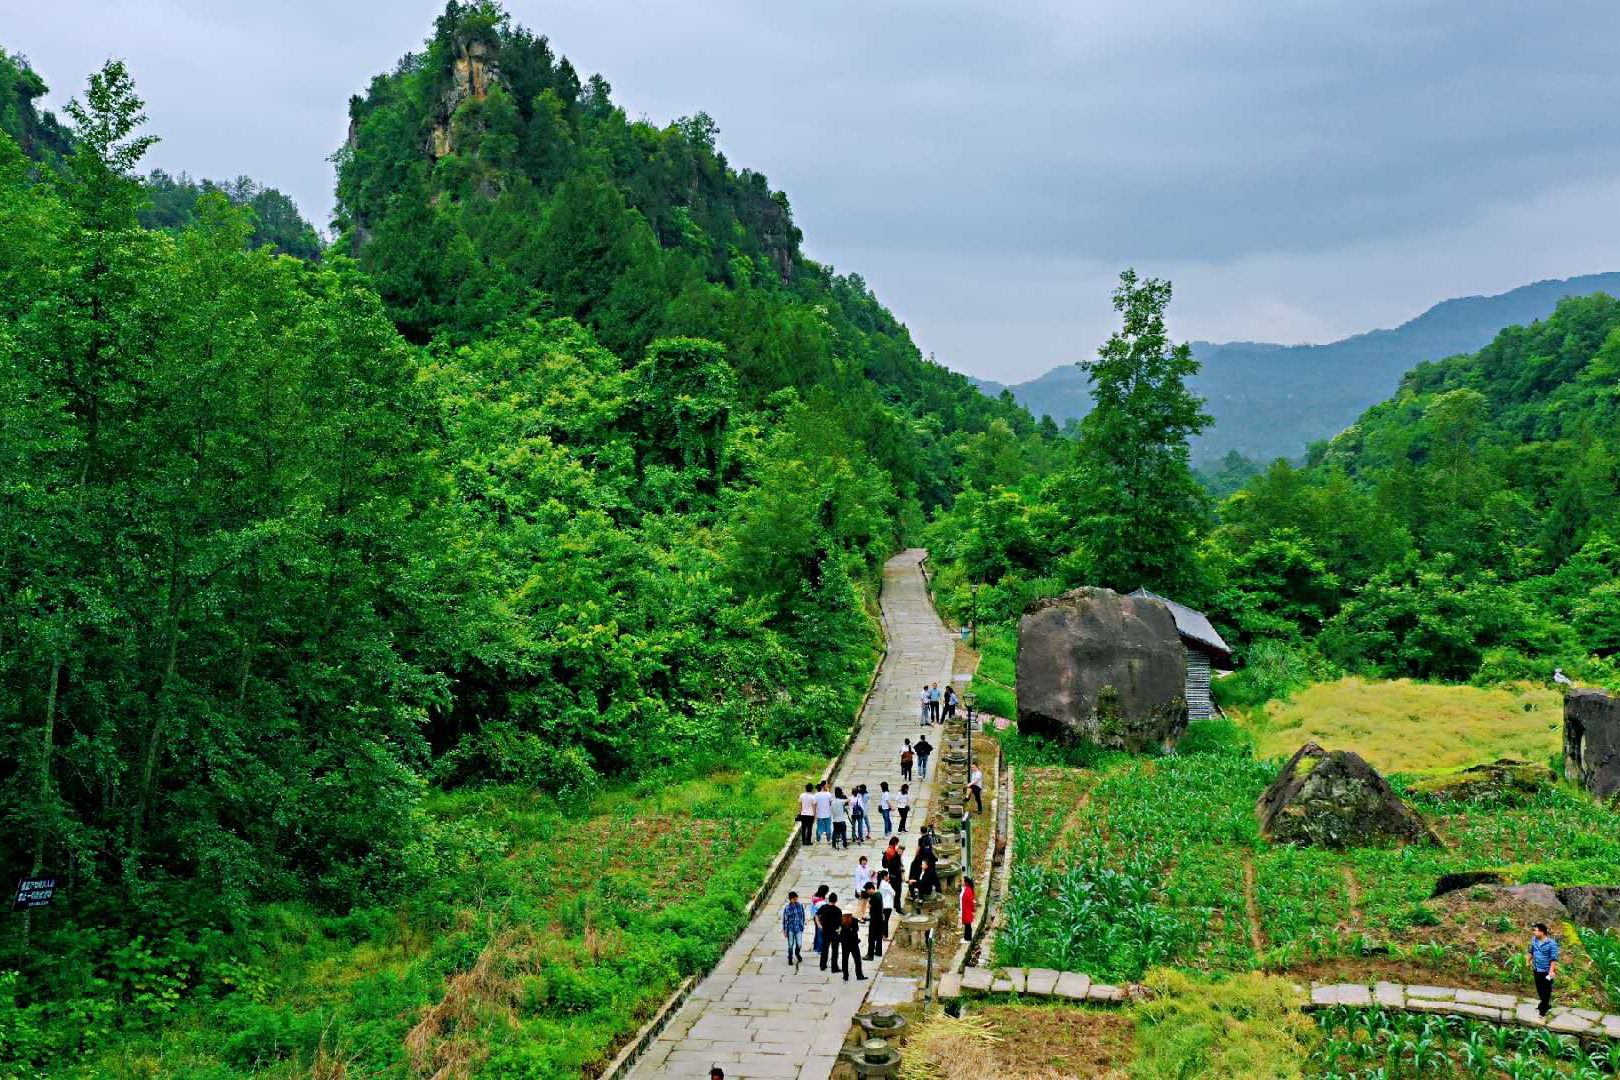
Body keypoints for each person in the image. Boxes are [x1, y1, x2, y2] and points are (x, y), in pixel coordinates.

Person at [1530, 922, 1560, 1016]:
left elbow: (1553, 958)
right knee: (1539, 989)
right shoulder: (1534, 940)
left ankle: (1542, 1012)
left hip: (1546, 971)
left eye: (1535, 930)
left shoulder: (1552, 944)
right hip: (1536, 968)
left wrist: (1551, 971)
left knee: (1546, 991)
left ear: (1542, 932)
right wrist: (1528, 961)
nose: (1534, 932)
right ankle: (1546, 1005)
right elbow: (1531, 951)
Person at [818, 893, 844, 973]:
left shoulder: (823, 907)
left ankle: (823, 965)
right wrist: (839, 929)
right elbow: (840, 923)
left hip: (825, 931)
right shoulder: (838, 910)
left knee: (825, 949)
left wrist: (820, 924)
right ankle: (834, 967)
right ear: (836, 900)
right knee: (835, 950)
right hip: (834, 933)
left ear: (828, 899)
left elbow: (817, 915)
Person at [873, 871, 894, 957]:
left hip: (883, 905)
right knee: (885, 921)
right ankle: (885, 935)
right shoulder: (886, 885)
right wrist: (889, 884)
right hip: (887, 905)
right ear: (885, 876)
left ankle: (883, 935)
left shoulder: (881, 883)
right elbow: (893, 893)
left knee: (884, 920)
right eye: (887, 875)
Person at [839, 911, 866, 981]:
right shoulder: (854, 920)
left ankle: (845, 975)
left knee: (845, 959)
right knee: (857, 960)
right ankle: (859, 975)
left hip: (845, 943)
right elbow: (856, 930)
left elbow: (840, 932)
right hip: (853, 943)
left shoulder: (841, 920)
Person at [782, 890, 806, 965]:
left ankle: (797, 953)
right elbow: (785, 920)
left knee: (799, 944)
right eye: (794, 899)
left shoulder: (800, 906)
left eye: (796, 898)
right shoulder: (787, 908)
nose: (796, 900)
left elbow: (803, 916)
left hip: (798, 928)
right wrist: (785, 931)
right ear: (791, 899)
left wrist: (802, 925)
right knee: (790, 944)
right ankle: (790, 958)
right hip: (790, 929)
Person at [882, 839, 905, 915]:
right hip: (894, 878)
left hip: (896, 877)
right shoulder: (894, 856)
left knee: (896, 893)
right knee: (897, 893)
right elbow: (889, 866)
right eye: (901, 851)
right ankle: (898, 909)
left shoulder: (898, 857)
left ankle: (895, 906)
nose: (901, 852)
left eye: (902, 851)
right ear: (897, 849)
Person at [810, 885, 829, 957]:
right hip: (819, 917)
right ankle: (819, 950)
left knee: (817, 932)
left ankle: (815, 947)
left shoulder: (814, 896)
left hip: (815, 917)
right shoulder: (820, 901)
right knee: (820, 934)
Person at [960, 875, 976, 942]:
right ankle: (966, 937)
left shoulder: (968, 890)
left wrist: (973, 909)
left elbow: (971, 902)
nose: (961, 882)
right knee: (967, 925)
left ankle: (968, 938)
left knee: (968, 925)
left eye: (962, 881)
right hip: (965, 910)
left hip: (967, 910)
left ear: (966, 882)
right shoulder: (967, 889)